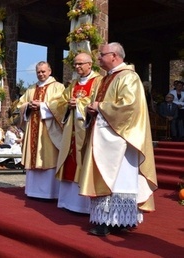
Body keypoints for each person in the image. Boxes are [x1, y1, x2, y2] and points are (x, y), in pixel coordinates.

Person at [80, 42, 158, 236]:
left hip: (121, 140)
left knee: (119, 179)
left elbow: (129, 107)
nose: (98, 59)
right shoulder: (104, 79)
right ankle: (108, 220)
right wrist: (91, 109)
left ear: (114, 56)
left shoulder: (129, 77)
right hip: (103, 137)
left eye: (102, 55)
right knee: (107, 177)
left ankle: (116, 221)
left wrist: (100, 107)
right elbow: (97, 104)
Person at [50, 53, 101, 214]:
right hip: (71, 129)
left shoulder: (98, 81)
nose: (77, 67)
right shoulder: (73, 84)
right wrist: (68, 104)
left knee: (84, 161)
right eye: (75, 64)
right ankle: (68, 202)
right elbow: (60, 103)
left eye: (80, 64)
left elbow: (98, 101)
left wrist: (78, 103)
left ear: (89, 64)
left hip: (87, 129)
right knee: (69, 161)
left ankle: (84, 206)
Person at [16, 61, 64, 199]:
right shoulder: (31, 89)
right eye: (38, 72)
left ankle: (50, 193)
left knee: (48, 156)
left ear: (49, 71)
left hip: (48, 130)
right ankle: (33, 191)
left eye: (43, 71)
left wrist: (43, 106)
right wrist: (28, 106)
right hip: (33, 128)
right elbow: (20, 104)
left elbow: (61, 105)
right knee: (33, 157)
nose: (41, 74)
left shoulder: (58, 87)